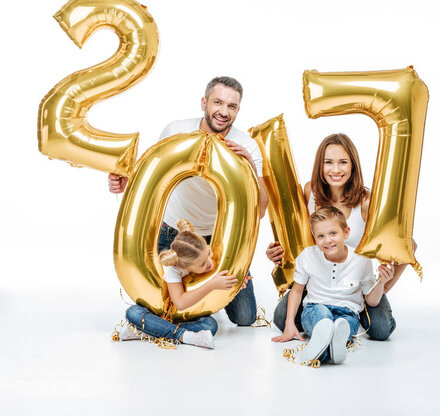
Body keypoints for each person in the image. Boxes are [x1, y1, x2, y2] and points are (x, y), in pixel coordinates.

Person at [109, 76, 268, 326]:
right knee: (159, 303)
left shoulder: (247, 145)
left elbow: (259, 211)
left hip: (214, 243)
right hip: (171, 235)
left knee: (245, 317)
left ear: (238, 110)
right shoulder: (176, 131)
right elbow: (151, 180)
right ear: (204, 102)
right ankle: (193, 322)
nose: (223, 112)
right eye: (218, 102)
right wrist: (123, 183)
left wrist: (248, 166)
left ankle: (193, 312)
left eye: (232, 106)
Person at [267, 133, 412, 340]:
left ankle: (346, 317)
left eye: (343, 162)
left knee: (381, 329)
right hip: (319, 285)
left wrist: (383, 285)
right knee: (282, 319)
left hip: (353, 287)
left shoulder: (366, 202)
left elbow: (407, 244)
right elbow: (297, 237)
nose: (336, 170)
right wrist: (278, 253)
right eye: (328, 162)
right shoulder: (311, 192)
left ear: (353, 166)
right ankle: (324, 322)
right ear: (320, 166)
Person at [272, 206, 394, 365]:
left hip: (347, 313)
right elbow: (296, 291)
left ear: (346, 232)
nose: (327, 240)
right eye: (320, 236)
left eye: (333, 233)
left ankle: (322, 352)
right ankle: (330, 349)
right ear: (314, 237)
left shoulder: (361, 260)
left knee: (342, 327)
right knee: (323, 319)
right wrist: (289, 324)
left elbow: (371, 302)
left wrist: (382, 282)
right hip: (316, 308)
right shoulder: (308, 255)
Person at [119, 219, 239, 349]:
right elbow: (180, 303)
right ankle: (185, 336)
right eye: (203, 264)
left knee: (210, 325)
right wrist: (212, 284)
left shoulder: (200, 252)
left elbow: (217, 274)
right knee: (133, 312)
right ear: (185, 266)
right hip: (163, 312)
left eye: (208, 253)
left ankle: (147, 331)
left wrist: (235, 283)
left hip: (187, 315)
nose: (210, 262)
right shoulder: (173, 270)